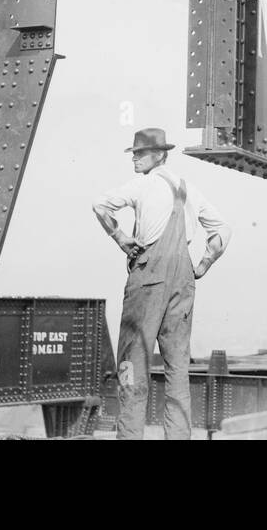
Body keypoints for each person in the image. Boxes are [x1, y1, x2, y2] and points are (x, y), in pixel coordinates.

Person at [92, 128, 231, 440]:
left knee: (132, 364)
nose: (135, 159)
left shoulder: (143, 184)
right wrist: (204, 263)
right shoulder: (189, 189)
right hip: (184, 280)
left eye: (140, 154)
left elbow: (99, 204)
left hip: (148, 278)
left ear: (159, 155)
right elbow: (223, 229)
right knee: (178, 368)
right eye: (135, 154)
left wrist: (120, 237)